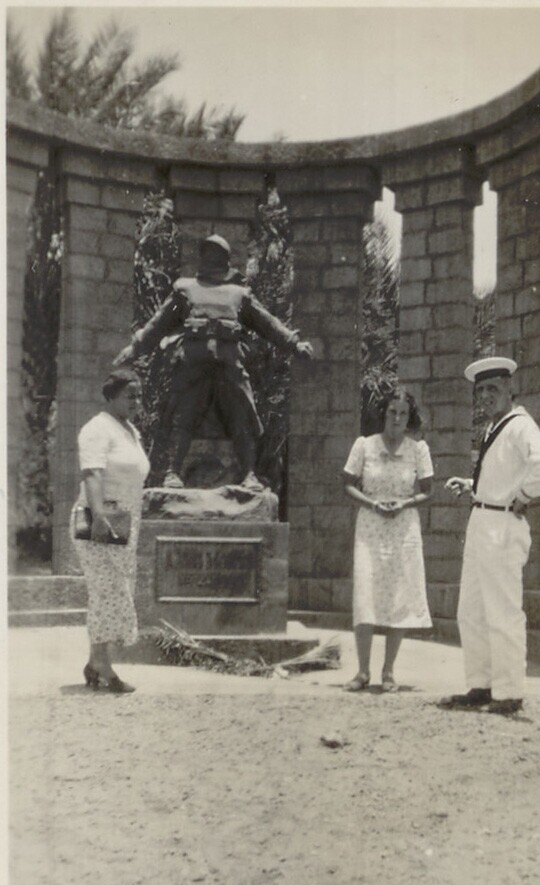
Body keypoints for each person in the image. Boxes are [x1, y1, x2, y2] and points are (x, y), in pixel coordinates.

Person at [113, 234, 312, 489]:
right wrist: (135, 347)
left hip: (229, 365)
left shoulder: (240, 294)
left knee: (241, 416)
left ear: (226, 260)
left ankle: (249, 474)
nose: (211, 257)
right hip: (192, 364)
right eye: (207, 252)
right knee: (183, 416)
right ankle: (173, 472)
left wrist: (294, 344)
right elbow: (158, 323)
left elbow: (267, 323)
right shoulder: (184, 290)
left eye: (216, 253)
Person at [442, 357, 540, 714]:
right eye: (480, 391)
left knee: (503, 611)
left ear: (510, 389)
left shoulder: (520, 425)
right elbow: (503, 473)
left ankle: (509, 693)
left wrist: (524, 495)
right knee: (471, 611)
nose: (485, 396)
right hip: (482, 520)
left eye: (492, 388)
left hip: (502, 526)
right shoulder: (494, 428)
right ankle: (481, 685)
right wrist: (473, 486)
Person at [342, 388, 433, 692]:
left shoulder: (418, 450)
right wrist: (373, 504)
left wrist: (404, 504)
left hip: (403, 528)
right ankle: (362, 671)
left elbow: (428, 491)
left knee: (399, 595)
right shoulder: (364, 445)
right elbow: (347, 484)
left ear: (410, 417)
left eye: (403, 413)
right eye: (392, 412)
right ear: (383, 413)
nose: (397, 419)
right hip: (370, 526)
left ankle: (389, 671)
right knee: (365, 592)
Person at [71, 369, 150, 693]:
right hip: (99, 518)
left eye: (139, 396)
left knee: (115, 588)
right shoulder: (97, 429)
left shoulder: (130, 431)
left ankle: (95, 662)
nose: (137, 402)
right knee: (108, 590)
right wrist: (99, 516)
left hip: (124, 520)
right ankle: (103, 666)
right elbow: (92, 474)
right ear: (112, 396)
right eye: (130, 396)